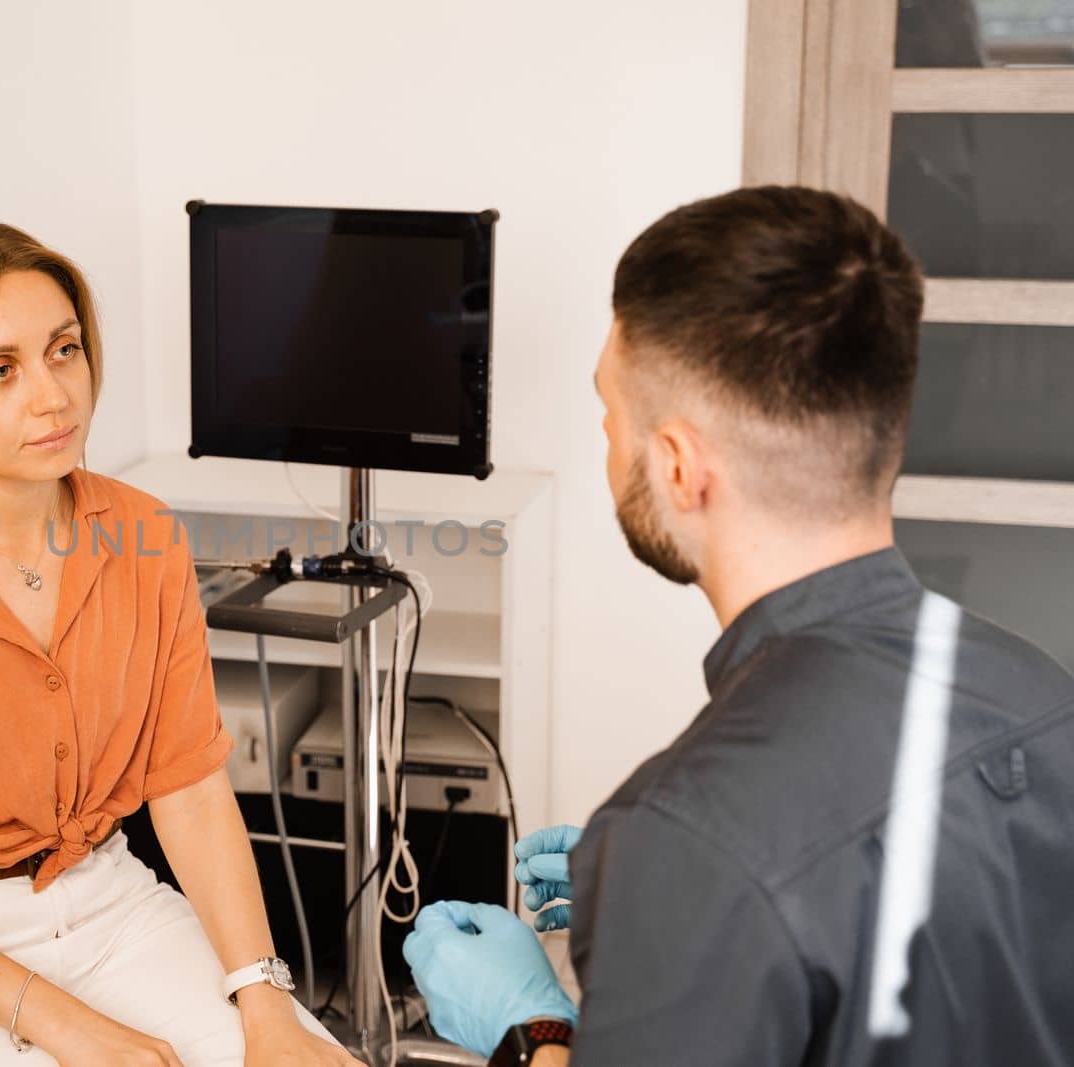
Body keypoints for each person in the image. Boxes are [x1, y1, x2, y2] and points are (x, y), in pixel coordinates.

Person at [403, 186, 1074, 1066]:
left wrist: (531, 1028)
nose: (607, 443)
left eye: (611, 415)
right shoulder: (1040, 689)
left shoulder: (681, 835)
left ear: (679, 467)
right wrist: (666, 917)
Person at [0, 221, 360, 1067]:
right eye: (0, 371)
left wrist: (265, 1000)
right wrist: (68, 1027)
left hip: (108, 903)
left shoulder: (143, 536)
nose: (54, 396)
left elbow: (192, 793)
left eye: (64, 350)